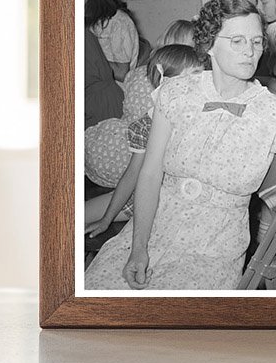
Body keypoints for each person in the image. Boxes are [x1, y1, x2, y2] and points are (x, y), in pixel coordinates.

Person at [85, 0, 276, 291]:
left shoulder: (273, 111)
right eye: (238, 41)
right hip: (151, 229)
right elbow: (150, 173)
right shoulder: (176, 93)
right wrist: (138, 248)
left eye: (256, 41)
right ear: (208, 44)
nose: (250, 52)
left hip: (214, 249)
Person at [84, 44, 204, 238]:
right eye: (193, 77)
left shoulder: (204, 119)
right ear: (164, 81)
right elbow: (132, 175)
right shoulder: (146, 125)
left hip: (183, 204)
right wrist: (107, 219)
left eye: (201, 76)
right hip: (142, 197)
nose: (200, 84)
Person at [85, 0, 139, 82]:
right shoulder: (86, 19)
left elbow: (122, 73)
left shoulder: (119, 23)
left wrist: (89, 59)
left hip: (113, 89)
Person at [84, 0, 124, 129]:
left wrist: (99, 59)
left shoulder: (118, 23)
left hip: (106, 100)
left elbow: (122, 72)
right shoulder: (88, 24)